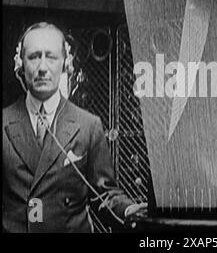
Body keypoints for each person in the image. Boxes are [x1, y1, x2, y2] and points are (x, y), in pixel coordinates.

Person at [2, 22, 146, 233]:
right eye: (34, 56)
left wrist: (129, 209)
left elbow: (103, 194)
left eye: (51, 56)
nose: (42, 67)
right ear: (20, 64)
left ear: (65, 63)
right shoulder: (4, 123)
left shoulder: (88, 125)